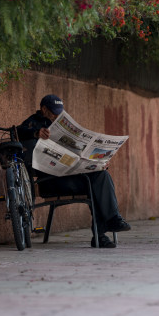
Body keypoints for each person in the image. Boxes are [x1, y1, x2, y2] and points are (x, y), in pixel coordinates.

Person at [16, 94, 130, 248]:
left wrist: (98, 162)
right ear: (44, 109)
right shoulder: (32, 123)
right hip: (51, 181)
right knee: (93, 185)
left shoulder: (63, 124)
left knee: (101, 175)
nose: (57, 116)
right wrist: (35, 133)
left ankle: (108, 225)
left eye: (59, 112)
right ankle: (103, 232)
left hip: (72, 175)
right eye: (53, 112)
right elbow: (17, 132)